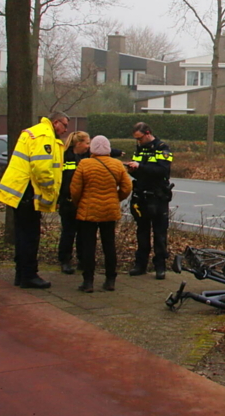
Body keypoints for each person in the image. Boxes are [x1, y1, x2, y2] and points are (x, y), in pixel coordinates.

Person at [0, 112, 69, 289]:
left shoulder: (35, 132)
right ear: (55, 122)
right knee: (30, 235)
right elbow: (41, 168)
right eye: (64, 125)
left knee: (22, 235)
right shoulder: (45, 135)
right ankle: (29, 275)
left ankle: (21, 274)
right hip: (28, 192)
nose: (66, 130)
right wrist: (50, 191)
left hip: (20, 191)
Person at [70, 135, 131, 292]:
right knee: (109, 245)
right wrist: (115, 198)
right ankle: (110, 280)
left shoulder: (84, 164)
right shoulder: (117, 165)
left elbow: (75, 189)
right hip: (110, 210)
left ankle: (88, 281)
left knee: (88, 246)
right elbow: (127, 187)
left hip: (88, 210)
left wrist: (79, 203)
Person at [59, 131, 123, 275]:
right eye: (87, 143)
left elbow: (103, 149)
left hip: (83, 202)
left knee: (83, 234)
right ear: (78, 143)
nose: (89, 146)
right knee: (68, 233)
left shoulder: (87, 157)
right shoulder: (65, 157)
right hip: (68, 201)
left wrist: (117, 152)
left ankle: (83, 261)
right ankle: (65, 260)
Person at [125, 121, 173, 279]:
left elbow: (162, 170)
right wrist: (133, 170)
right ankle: (141, 265)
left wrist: (141, 168)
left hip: (158, 196)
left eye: (140, 138)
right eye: (136, 139)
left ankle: (160, 266)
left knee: (159, 234)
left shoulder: (162, 147)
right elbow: (139, 172)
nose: (138, 142)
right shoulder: (139, 148)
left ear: (148, 133)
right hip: (142, 195)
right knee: (142, 232)